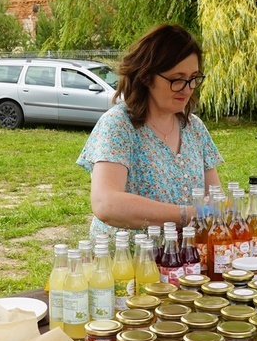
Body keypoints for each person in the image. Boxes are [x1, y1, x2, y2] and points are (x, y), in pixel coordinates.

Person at [77, 24, 223, 240]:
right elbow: (105, 203)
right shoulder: (119, 125)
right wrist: (186, 215)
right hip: (128, 263)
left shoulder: (194, 128)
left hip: (185, 261)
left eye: (193, 78)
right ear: (146, 77)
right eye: (177, 79)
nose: (188, 88)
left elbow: (216, 200)